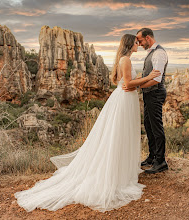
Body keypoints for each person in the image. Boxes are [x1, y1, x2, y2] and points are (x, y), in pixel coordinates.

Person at [14, 34, 161, 212]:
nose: (138, 44)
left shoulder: (122, 59)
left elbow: (125, 84)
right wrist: (149, 77)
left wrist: (138, 83)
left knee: (119, 135)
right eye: (136, 42)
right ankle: (116, 174)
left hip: (124, 98)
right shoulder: (126, 60)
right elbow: (128, 83)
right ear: (130, 44)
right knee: (120, 135)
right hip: (124, 100)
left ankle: (119, 170)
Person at [123, 28, 168, 174]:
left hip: (155, 93)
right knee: (148, 125)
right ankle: (152, 156)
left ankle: (160, 161)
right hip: (149, 94)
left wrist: (137, 86)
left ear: (148, 38)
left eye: (140, 40)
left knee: (156, 126)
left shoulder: (159, 53)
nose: (139, 43)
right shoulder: (151, 53)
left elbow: (156, 79)